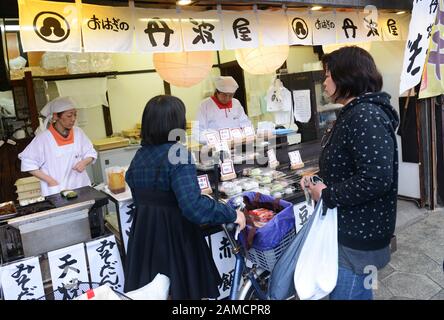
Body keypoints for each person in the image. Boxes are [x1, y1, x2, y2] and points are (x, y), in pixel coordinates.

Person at [124, 94, 246, 300]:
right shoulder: (177, 153)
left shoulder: (140, 156)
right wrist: (231, 213)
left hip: (144, 241)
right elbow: (193, 206)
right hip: (176, 240)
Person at [300, 46, 399, 300]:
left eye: (328, 75)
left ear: (346, 76)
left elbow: (376, 179)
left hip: (357, 237)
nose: (324, 82)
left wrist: (328, 194)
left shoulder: (365, 115)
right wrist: (317, 180)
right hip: (349, 231)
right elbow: (349, 168)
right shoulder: (356, 112)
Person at [19, 96, 97, 196]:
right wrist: (50, 181)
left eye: (75, 115)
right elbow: (27, 162)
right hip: (57, 191)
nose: (73, 119)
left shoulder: (78, 133)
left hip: (80, 186)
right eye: (69, 116)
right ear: (55, 116)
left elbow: (91, 152)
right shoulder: (44, 138)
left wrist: (84, 162)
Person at [195, 76, 252, 144]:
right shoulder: (205, 105)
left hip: (238, 144)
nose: (227, 98)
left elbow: (245, 123)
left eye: (231, 95)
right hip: (216, 147)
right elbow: (198, 132)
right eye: (224, 95)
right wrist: (217, 138)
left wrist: (247, 135)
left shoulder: (236, 103)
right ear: (217, 92)